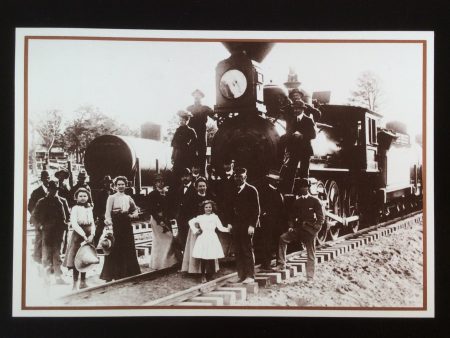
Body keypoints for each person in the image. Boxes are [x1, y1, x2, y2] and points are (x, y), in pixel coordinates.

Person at [275, 178, 325, 281]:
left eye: (305, 187)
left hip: (310, 231)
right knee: (283, 238)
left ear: (308, 188)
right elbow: (292, 216)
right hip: (298, 230)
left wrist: (316, 230)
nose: (303, 189)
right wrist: (291, 226)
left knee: (311, 253)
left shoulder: (315, 201)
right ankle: (281, 264)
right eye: (301, 187)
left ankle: (310, 277)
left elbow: (321, 218)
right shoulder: (297, 202)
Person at [279, 88, 322, 193]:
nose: (296, 111)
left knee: (304, 173)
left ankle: (303, 193)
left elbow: (313, 135)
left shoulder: (308, 120)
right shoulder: (292, 120)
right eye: (294, 109)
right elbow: (289, 132)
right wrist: (287, 136)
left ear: (303, 109)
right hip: (294, 150)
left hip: (305, 150)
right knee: (291, 172)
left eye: (298, 109)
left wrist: (302, 135)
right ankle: (289, 192)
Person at [100, 176, 141, 282]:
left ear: (126, 185)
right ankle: (113, 274)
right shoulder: (111, 197)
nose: (121, 186)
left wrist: (132, 215)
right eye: (119, 184)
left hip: (126, 224)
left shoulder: (128, 198)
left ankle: (128, 272)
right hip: (116, 224)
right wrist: (109, 222)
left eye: (123, 184)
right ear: (115, 186)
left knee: (127, 246)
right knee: (115, 247)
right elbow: (107, 212)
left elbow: (135, 210)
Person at [31, 180, 70, 285]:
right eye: (51, 189)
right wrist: (40, 226)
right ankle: (46, 279)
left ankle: (58, 278)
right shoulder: (42, 202)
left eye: (55, 190)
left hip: (59, 233)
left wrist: (66, 224)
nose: (54, 192)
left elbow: (68, 215)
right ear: (48, 190)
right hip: (46, 233)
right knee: (46, 256)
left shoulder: (62, 201)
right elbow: (34, 217)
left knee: (57, 255)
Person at [227, 167, 260, 284]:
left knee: (247, 250)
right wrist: (230, 223)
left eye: (240, 177)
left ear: (245, 177)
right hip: (236, 225)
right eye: (236, 177)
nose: (238, 179)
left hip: (247, 226)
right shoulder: (232, 190)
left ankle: (250, 275)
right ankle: (241, 275)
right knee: (238, 250)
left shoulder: (252, 190)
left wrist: (252, 225)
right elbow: (230, 209)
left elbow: (256, 210)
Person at [181, 177, 219, 274]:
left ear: (206, 186)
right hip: (196, 227)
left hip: (208, 228)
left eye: (203, 186)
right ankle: (195, 270)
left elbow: (215, 211)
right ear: (196, 187)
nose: (202, 188)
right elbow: (187, 212)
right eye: (200, 186)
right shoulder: (191, 198)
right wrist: (195, 224)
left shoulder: (211, 196)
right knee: (196, 248)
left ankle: (210, 270)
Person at [189, 200, 231, 283]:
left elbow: (220, 228)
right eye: (206, 207)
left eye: (210, 207)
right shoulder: (200, 217)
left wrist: (228, 229)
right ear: (203, 208)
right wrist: (196, 230)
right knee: (203, 257)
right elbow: (190, 222)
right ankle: (203, 275)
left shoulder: (215, 217)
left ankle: (211, 275)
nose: (208, 209)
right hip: (203, 237)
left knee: (212, 256)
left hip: (212, 237)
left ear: (212, 208)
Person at [63, 188, 95, 290]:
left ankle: (83, 282)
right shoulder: (75, 208)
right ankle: (75, 284)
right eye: (80, 196)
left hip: (89, 234)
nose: (83, 198)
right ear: (76, 197)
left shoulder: (89, 208)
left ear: (88, 197)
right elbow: (74, 223)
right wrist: (84, 236)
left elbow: (93, 222)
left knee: (85, 258)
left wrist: (92, 235)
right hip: (78, 235)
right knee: (77, 258)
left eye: (85, 196)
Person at [146, 174, 178, 270]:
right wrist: (159, 220)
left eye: (162, 181)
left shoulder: (166, 193)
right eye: (158, 181)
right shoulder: (152, 194)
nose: (161, 183)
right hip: (157, 219)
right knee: (161, 239)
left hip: (166, 218)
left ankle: (168, 263)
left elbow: (170, 206)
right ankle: (158, 263)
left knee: (169, 238)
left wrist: (171, 216)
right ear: (155, 183)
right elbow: (151, 209)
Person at [254, 174, 285, 271]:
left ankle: (277, 263)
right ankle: (266, 264)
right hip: (267, 222)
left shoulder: (278, 191)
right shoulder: (264, 191)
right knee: (266, 243)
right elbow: (260, 205)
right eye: (276, 180)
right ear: (271, 180)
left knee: (277, 242)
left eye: (278, 180)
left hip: (277, 222)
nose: (278, 182)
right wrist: (264, 214)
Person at [186, 89, 214, 177]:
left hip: (201, 134)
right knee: (191, 155)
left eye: (198, 96)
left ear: (201, 97)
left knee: (202, 156)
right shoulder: (189, 108)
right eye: (195, 96)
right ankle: (190, 177)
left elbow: (214, 115)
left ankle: (202, 177)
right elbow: (184, 119)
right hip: (191, 134)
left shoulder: (205, 108)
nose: (196, 97)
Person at [171, 168, 198, 252]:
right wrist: (177, 215)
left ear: (190, 176)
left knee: (192, 240)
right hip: (181, 219)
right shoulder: (179, 189)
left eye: (186, 176)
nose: (185, 178)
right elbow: (176, 203)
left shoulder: (195, 189)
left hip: (191, 219)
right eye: (183, 176)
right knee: (183, 240)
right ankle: (185, 261)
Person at [28, 170, 50, 265]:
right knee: (39, 238)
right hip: (39, 220)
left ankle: (46, 258)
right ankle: (37, 258)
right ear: (42, 180)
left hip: (50, 221)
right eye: (45, 178)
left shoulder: (52, 191)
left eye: (48, 178)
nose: (47, 180)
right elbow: (30, 206)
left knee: (49, 239)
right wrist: (37, 218)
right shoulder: (36, 192)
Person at [171, 110, 198, 181]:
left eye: (183, 120)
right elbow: (174, 145)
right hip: (177, 155)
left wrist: (193, 157)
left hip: (187, 156)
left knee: (186, 172)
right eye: (180, 120)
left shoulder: (191, 131)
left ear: (187, 121)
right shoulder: (177, 130)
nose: (181, 121)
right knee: (176, 174)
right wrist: (173, 156)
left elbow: (195, 145)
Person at [92, 175, 114, 246]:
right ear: (104, 183)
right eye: (106, 183)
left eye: (109, 183)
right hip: (103, 215)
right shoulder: (100, 193)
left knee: (116, 232)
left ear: (111, 183)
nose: (108, 184)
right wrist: (95, 216)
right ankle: (93, 246)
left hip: (113, 215)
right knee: (98, 232)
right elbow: (97, 206)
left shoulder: (114, 192)